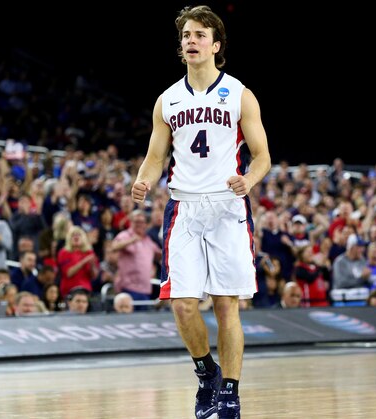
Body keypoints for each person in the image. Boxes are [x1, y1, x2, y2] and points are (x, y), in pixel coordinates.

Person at [131, 6, 271, 418]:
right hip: (184, 207)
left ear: (215, 45)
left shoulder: (241, 94)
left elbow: (262, 156)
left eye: (198, 35)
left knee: (227, 304)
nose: (190, 40)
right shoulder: (167, 100)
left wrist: (250, 179)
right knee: (182, 303)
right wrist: (143, 180)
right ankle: (206, 371)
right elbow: (155, 157)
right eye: (186, 35)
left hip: (228, 207)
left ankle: (230, 392)